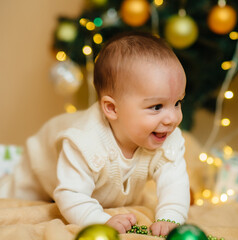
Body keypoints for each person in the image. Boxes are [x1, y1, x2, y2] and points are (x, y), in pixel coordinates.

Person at [0, 31, 190, 237]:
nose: (172, 118)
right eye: (157, 106)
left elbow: (175, 183)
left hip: (102, 188)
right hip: (40, 168)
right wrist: (101, 220)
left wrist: (170, 218)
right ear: (112, 108)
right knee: (14, 198)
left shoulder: (167, 138)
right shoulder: (84, 142)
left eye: (177, 103)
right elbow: (71, 194)